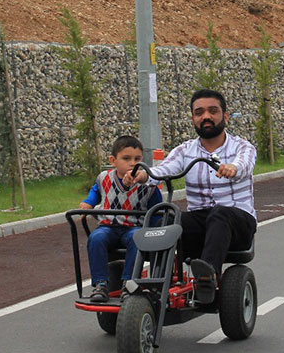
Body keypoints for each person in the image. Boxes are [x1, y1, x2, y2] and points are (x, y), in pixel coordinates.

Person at [124, 89, 256, 305]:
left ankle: (208, 276)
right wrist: (143, 175)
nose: (206, 117)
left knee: (220, 214)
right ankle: (151, 283)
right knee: (167, 217)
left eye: (213, 111)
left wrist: (233, 168)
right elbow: (165, 168)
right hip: (201, 224)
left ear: (225, 115)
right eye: (199, 112)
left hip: (237, 223)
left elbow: (244, 164)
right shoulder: (185, 150)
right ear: (193, 118)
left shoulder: (242, 147)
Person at [79, 135, 162, 302]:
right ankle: (100, 284)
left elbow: (157, 210)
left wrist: (154, 230)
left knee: (136, 238)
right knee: (96, 238)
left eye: (137, 159)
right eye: (126, 158)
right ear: (113, 160)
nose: (132, 163)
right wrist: (88, 203)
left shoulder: (148, 185)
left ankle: (129, 283)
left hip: (133, 228)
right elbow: (96, 192)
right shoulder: (104, 178)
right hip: (108, 226)